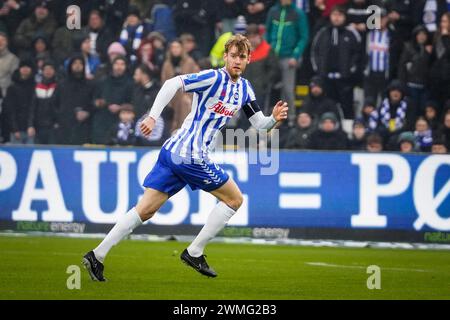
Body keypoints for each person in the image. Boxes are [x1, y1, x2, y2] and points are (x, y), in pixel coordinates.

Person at [82, 34, 289, 281]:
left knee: (145, 210)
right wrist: (152, 115)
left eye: (241, 57)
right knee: (234, 199)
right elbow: (172, 83)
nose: (236, 60)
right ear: (225, 56)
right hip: (190, 156)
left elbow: (261, 125)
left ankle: (97, 255)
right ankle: (194, 251)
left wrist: (274, 118)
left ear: (248, 60)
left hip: (174, 153)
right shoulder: (213, 77)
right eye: (233, 55)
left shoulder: (244, 90)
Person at [265, 0, 309, 124]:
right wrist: (267, 50)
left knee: (288, 89)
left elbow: (304, 37)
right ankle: (265, 117)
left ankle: (290, 118)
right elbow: (267, 32)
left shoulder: (298, 13)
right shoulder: (273, 11)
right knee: (267, 86)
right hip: (272, 56)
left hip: (288, 57)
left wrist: (295, 55)